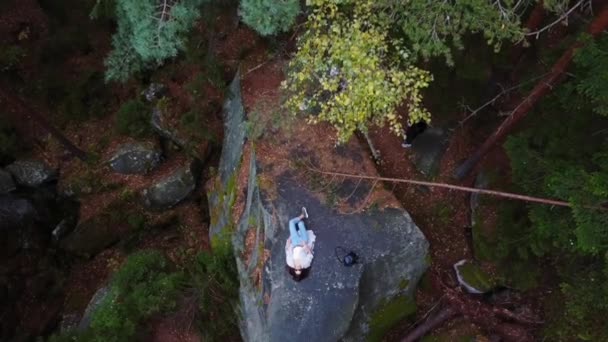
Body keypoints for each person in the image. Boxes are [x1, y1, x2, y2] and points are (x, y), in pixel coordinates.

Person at [285, 207, 316, 281]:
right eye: (299, 271)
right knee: (300, 224)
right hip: (303, 242)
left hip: (295, 242)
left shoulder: (290, 263)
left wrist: (288, 242)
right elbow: (310, 254)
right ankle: (302, 221)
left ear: (293, 270)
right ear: (302, 271)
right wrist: (305, 245)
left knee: (291, 222)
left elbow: (287, 251)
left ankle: (303, 215)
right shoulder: (306, 264)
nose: (297, 269)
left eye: (296, 270)